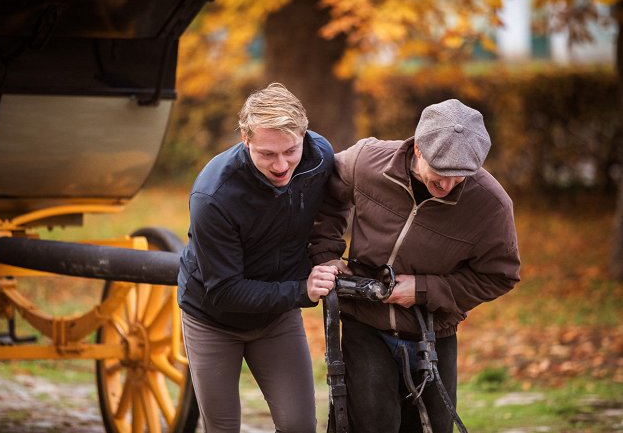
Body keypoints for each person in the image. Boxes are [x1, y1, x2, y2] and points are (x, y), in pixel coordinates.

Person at [308, 99, 521, 433]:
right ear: (418, 148)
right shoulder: (367, 160)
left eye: (460, 177)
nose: (448, 186)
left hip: (434, 332)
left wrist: (423, 290)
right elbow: (325, 197)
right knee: (370, 426)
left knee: (432, 429)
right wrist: (327, 255)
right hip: (365, 323)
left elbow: (500, 276)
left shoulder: (491, 205)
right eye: (441, 173)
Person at [177, 82, 338, 433]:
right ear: (245, 140)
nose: (281, 165)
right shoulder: (213, 196)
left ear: (304, 136)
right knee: (223, 429)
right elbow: (225, 291)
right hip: (212, 319)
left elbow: (334, 208)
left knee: (299, 426)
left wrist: (329, 255)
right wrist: (302, 291)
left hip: (276, 318)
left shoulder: (319, 157)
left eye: (290, 151)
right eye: (267, 154)